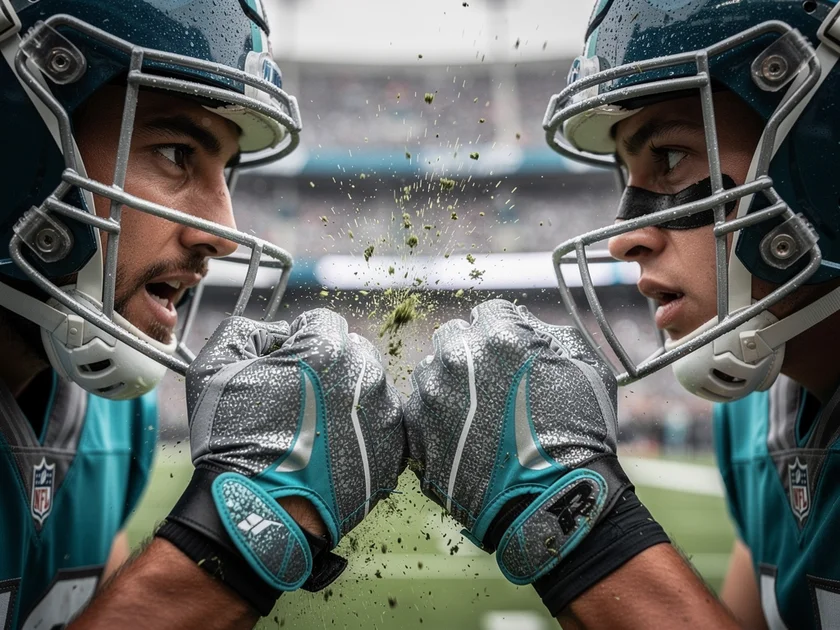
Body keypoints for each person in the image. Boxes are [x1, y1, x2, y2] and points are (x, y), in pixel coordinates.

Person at [405, 0, 840, 628]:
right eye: (626, 177)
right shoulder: (755, 414)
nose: (623, 239)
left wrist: (584, 530)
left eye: (670, 158)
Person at [0, 1, 405, 628]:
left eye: (225, 171)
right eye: (175, 153)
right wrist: (228, 549)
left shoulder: (115, 415)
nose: (222, 232)